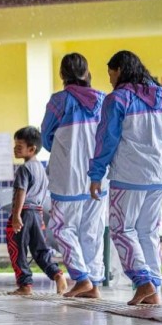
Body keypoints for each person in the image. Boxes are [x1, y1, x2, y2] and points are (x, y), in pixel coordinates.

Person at [88, 50, 162, 306]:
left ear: (120, 71)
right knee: (148, 232)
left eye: (111, 73)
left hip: (129, 175)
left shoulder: (117, 99)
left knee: (121, 229)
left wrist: (96, 173)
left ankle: (143, 281)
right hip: (158, 175)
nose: (110, 79)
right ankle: (154, 290)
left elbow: (107, 138)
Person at [42, 53, 107, 299]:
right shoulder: (102, 99)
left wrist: (64, 149)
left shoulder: (59, 101)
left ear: (62, 75)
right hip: (98, 175)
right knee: (92, 230)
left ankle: (81, 278)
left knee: (61, 228)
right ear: (87, 73)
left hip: (68, 175)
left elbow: (46, 135)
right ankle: (95, 283)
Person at [6, 126, 67, 295]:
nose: (15, 149)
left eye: (19, 147)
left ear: (31, 149)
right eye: (15, 146)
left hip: (24, 212)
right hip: (37, 213)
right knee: (40, 249)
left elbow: (21, 192)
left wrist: (16, 216)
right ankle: (57, 274)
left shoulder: (24, 169)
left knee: (16, 249)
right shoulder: (40, 168)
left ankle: (25, 285)